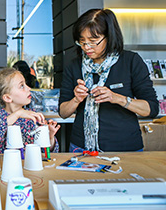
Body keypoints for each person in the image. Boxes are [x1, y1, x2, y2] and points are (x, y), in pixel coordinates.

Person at [58, 8, 159, 152]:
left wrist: (117, 98)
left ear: (109, 36)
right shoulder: (74, 66)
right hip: (81, 148)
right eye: (82, 41)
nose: (87, 47)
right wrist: (76, 99)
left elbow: (151, 108)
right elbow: (63, 112)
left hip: (125, 148)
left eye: (93, 41)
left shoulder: (131, 61)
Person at [0, 67, 60, 153]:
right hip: (5, 165)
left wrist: (49, 137)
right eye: (22, 86)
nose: (29, 88)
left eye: (25, 84)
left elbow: (48, 151)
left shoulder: (32, 115)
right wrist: (17, 114)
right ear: (8, 97)